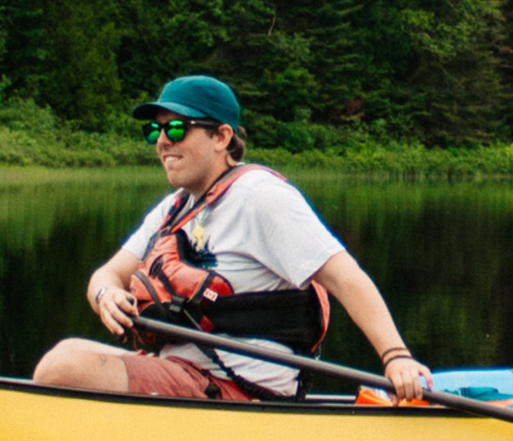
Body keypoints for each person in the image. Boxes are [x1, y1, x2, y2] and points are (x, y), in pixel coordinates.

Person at [31, 75, 430, 402]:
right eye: (155, 130)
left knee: (62, 367)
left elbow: (345, 277)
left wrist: (395, 357)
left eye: (176, 128)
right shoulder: (176, 206)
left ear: (221, 137)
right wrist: (106, 295)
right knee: (69, 351)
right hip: (182, 371)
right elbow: (107, 274)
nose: (163, 140)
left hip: (238, 387)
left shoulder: (260, 196)